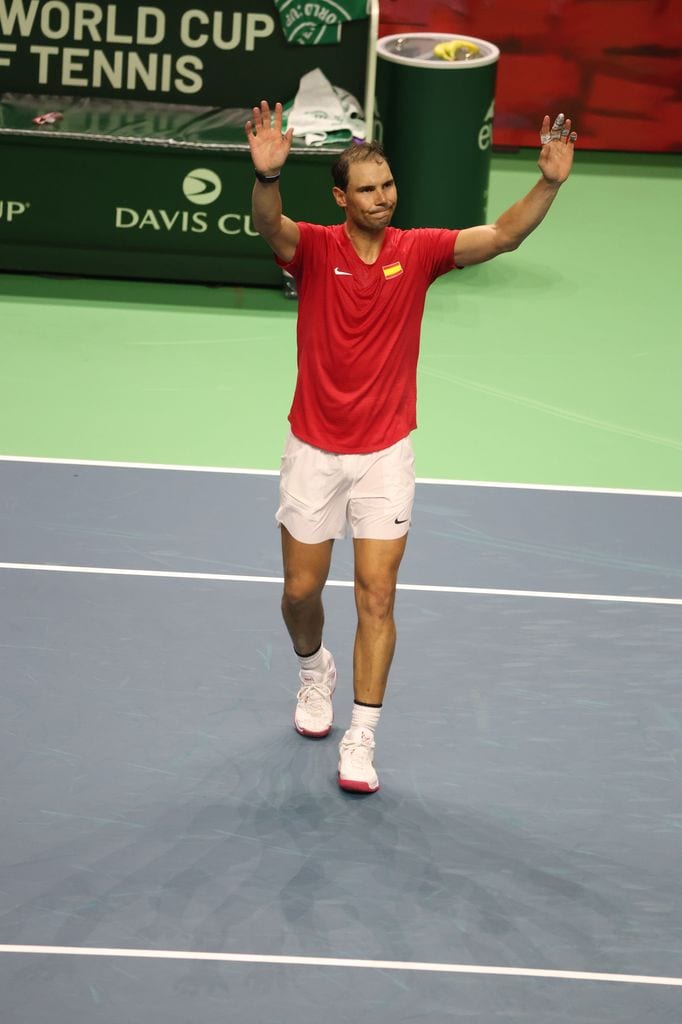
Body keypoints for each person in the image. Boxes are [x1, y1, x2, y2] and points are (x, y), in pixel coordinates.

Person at [245, 101, 577, 794]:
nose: (382, 197)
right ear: (341, 198)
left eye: (388, 185)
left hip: (385, 454)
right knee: (299, 593)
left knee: (378, 596)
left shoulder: (418, 252)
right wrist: (267, 178)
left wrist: (547, 184)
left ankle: (362, 735)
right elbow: (268, 226)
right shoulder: (314, 248)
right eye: (367, 189)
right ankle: (314, 672)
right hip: (313, 448)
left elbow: (502, 237)